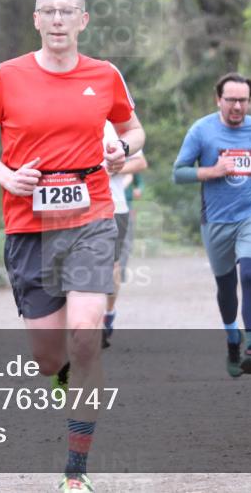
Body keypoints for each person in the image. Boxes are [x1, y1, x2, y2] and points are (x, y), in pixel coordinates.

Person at [0, 0, 145, 492]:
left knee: (86, 333)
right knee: (49, 357)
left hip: (91, 217)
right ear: (36, 20)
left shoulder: (105, 75)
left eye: (68, 11)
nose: (59, 19)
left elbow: (134, 131)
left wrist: (121, 151)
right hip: (28, 226)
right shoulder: (7, 76)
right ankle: (66, 378)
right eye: (49, 11)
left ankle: (75, 471)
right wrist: (6, 176)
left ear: (83, 21)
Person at [172, 73, 251, 378]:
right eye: (230, 100)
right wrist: (212, 171)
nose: (237, 106)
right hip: (216, 219)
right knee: (226, 285)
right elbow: (178, 173)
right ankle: (233, 337)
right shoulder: (201, 131)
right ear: (218, 100)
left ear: (249, 102)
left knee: (249, 274)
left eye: (242, 100)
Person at [101, 121, 147, 349]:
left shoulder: (116, 125)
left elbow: (141, 162)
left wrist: (115, 167)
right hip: (78, 207)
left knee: (112, 266)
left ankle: (108, 313)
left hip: (115, 205)